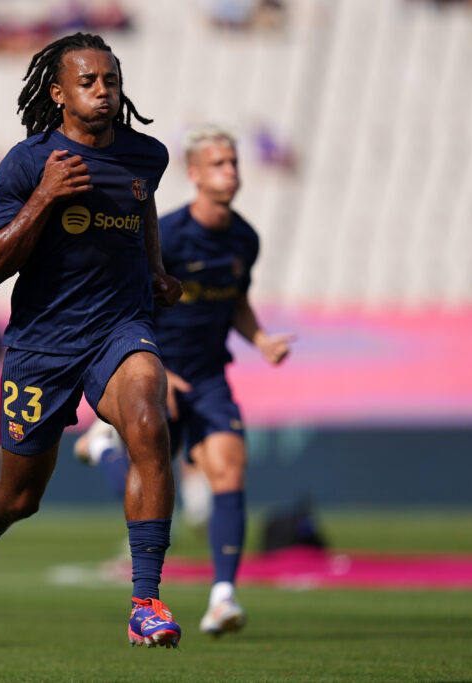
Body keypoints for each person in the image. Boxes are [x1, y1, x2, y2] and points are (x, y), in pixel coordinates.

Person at [0, 32, 184, 649]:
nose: (104, 91)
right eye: (89, 82)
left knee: (148, 422)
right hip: (40, 346)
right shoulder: (28, 164)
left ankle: (146, 600)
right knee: (18, 499)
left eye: (111, 80)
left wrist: (154, 267)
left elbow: (143, 207)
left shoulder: (147, 155)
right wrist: (46, 198)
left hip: (119, 328)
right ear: (58, 93)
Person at [153, 125, 292, 635]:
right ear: (193, 174)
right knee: (151, 483)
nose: (230, 172)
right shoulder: (164, 235)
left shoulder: (244, 239)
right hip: (156, 371)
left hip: (209, 374)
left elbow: (236, 302)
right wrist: (156, 371)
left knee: (230, 466)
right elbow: (128, 307)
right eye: (218, 164)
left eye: (233, 163)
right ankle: (104, 446)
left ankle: (223, 596)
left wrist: (261, 341)